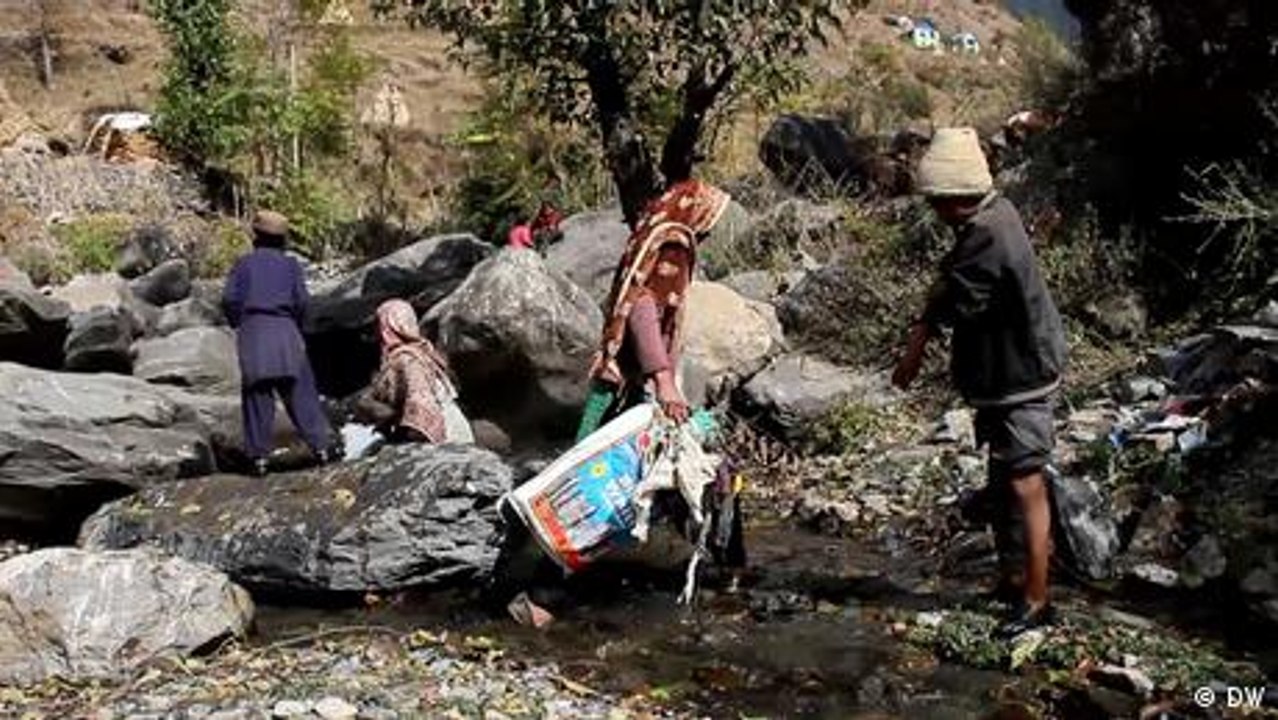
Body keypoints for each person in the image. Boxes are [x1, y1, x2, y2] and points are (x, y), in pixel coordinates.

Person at [892, 127, 1067, 637]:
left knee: (1024, 480)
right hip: (1004, 373)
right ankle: (1013, 577)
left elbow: (955, 299)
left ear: (953, 198)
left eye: (938, 202)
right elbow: (951, 289)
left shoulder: (988, 234)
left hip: (1021, 374)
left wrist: (917, 343)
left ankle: (1037, 598)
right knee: (1002, 477)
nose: (935, 211)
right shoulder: (994, 217)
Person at [577, 178, 747, 588]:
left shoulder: (649, 230)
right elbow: (643, 306)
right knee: (622, 472)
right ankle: (718, 568)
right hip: (635, 382)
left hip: (615, 371)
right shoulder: (675, 239)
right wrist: (664, 379)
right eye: (710, 219)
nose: (708, 230)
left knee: (588, 465)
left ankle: (580, 562)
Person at [222, 211, 334, 477]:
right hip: (286, 332)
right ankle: (321, 449)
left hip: (255, 333)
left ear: (255, 236)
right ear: (283, 239)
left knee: (257, 396)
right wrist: (298, 326)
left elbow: (229, 300)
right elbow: (304, 303)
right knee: (301, 394)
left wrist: (239, 321)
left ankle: (259, 458)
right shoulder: (292, 266)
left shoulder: (244, 265)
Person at [354, 299, 474, 445]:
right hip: (451, 427)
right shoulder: (422, 350)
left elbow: (422, 404)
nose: (377, 331)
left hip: (444, 438)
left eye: (379, 324)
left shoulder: (407, 360)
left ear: (390, 325)